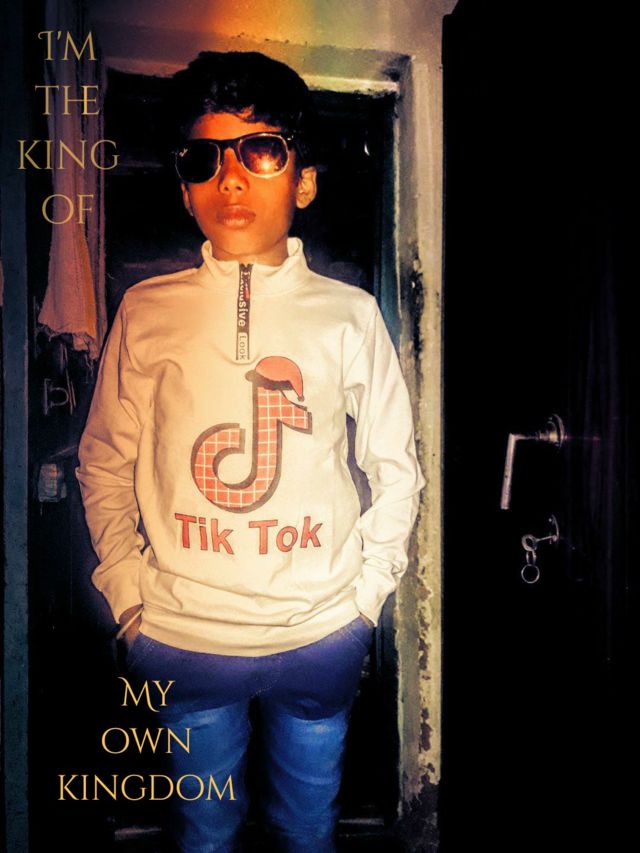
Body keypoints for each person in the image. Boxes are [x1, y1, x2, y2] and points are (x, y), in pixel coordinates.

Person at [76, 51, 424, 853]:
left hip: (319, 636)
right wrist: (129, 598)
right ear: (185, 185)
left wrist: (364, 601)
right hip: (185, 637)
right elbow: (104, 461)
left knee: (308, 830)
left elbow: (395, 467)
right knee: (204, 834)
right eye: (205, 158)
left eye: (261, 151)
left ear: (303, 181)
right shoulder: (146, 311)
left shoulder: (350, 315)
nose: (230, 178)